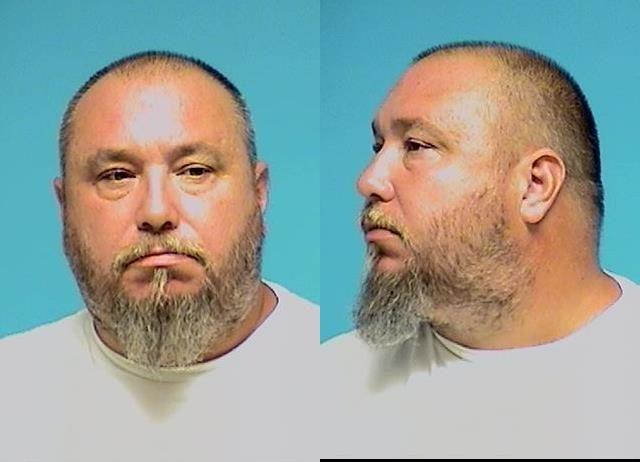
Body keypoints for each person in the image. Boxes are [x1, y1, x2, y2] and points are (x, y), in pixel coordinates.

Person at [321, 41, 640, 458]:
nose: (369, 180)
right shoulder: (324, 389)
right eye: (379, 147)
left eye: (416, 146)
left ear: (535, 186)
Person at [0, 51, 318, 462]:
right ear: (65, 207)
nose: (156, 212)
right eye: (117, 176)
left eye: (195, 171)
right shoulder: (11, 392)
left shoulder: (336, 375)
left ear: (259, 194)